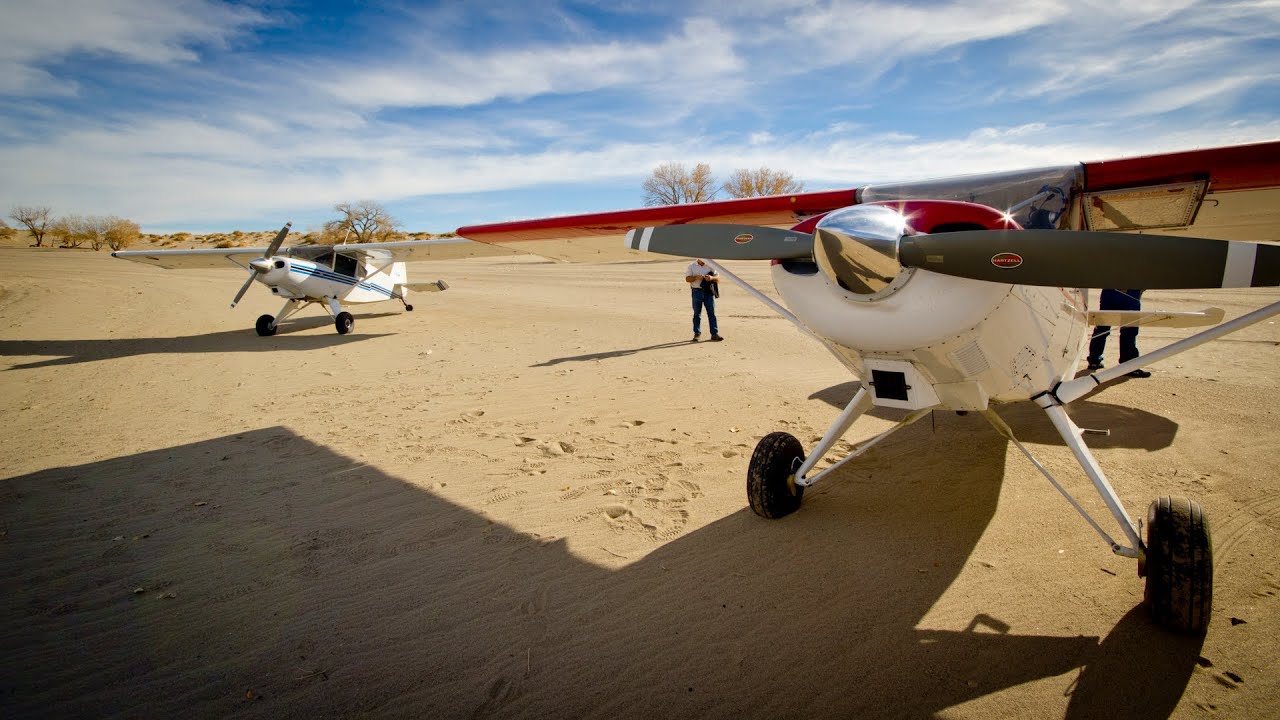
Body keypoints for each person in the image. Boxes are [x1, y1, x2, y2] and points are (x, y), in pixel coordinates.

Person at [1086, 289, 1151, 378]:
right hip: (1130, 291)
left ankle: (1094, 360)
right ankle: (1128, 365)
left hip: (1109, 290)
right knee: (1128, 330)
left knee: (1102, 327)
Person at [685, 258, 723, 342]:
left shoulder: (711, 265)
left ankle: (714, 333)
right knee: (697, 314)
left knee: (711, 313)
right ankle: (697, 334)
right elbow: (687, 279)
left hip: (708, 292)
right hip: (696, 291)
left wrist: (711, 278)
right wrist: (695, 277)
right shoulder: (691, 266)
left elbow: (718, 278)